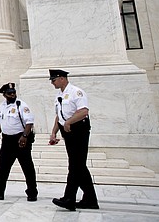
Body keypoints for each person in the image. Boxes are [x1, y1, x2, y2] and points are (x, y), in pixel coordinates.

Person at [49, 69, 99, 211]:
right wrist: (54, 132)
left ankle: (69, 198)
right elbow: (59, 116)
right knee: (79, 166)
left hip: (79, 131)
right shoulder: (59, 95)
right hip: (68, 132)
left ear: (62, 78)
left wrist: (69, 122)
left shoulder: (76, 92)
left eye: (54, 80)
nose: (52, 83)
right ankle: (90, 199)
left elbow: (83, 112)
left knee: (75, 166)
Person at [0, 82, 38, 201]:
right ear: (4, 94)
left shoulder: (21, 105)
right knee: (3, 166)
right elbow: (0, 121)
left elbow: (29, 122)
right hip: (7, 140)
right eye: (9, 93)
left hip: (20, 139)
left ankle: (32, 192)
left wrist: (24, 136)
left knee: (27, 166)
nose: (13, 95)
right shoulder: (2, 106)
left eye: (14, 93)